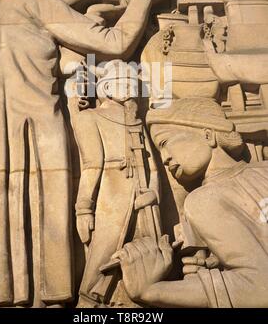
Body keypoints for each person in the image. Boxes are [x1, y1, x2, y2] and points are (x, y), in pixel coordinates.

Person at [0, 0, 173, 307]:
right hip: (38, 125)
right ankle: (50, 295)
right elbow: (115, 43)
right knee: (43, 203)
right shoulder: (40, 2)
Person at [114, 97, 268, 308]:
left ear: (207, 134)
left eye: (166, 143)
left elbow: (258, 287)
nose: (165, 158)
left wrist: (153, 291)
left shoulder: (204, 200)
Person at [67, 60, 161, 307]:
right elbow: (92, 165)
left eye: (132, 82)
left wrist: (153, 193)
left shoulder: (136, 121)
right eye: (123, 82)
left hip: (144, 201)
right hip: (112, 196)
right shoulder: (91, 118)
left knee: (147, 258)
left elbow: (152, 166)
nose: (129, 87)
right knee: (102, 253)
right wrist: (83, 209)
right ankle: (88, 304)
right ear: (107, 87)